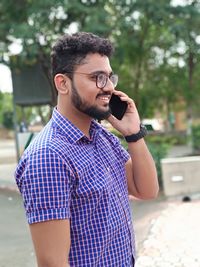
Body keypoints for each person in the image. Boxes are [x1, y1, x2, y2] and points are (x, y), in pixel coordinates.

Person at [15, 32, 159, 267]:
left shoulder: (101, 136)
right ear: (63, 83)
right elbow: (53, 263)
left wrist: (134, 134)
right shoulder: (48, 157)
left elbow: (147, 190)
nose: (109, 88)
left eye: (110, 77)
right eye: (97, 78)